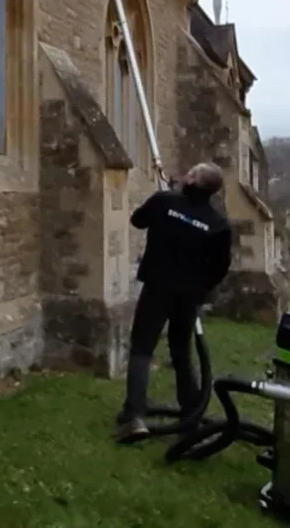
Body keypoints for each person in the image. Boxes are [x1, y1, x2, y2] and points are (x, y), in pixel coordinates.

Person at [115, 162, 233, 443]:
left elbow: (137, 220)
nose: (186, 174)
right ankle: (190, 412)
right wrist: (203, 288)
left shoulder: (164, 201)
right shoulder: (217, 224)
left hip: (158, 287)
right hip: (189, 294)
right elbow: (220, 267)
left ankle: (134, 415)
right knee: (181, 351)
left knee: (142, 348)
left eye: (190, 172)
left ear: (192, 179)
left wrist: (163, 203)